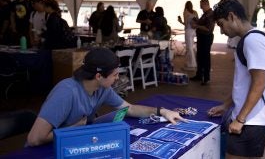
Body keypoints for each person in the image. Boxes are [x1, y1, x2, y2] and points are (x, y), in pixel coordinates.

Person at [27, 48, 185, 146]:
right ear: (98, 76)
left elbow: (129, 108)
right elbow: (34, 139)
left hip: (73, 143)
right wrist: (74, 128)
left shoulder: (102, 88)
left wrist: (162, 111)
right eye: (115, 75)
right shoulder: (66, 92)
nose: (118, 78)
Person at [208, 0, 265, 158]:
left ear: (232, 16)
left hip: (251, 122)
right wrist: (226, 105)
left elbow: (259, 83)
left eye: (221, 24)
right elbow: (246, 83)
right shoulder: (254, 38)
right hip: (251, 120)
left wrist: (240, 119)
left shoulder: (252, 41)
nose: (222, 31)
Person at [190, 0, 214, 85]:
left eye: (201, 6)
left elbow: (208, 28)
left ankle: (206, 78)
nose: (200, 7)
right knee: (199, 56)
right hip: (201, 37)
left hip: (206, 37)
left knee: (205, 58)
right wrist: (196, 20)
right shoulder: (205, 14)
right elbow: (201, 23)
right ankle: (199, 75)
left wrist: (196, 25)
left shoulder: (210, 14)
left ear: (205, 4)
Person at [178, 1, 198, 70]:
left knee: (189, 47)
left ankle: (191, 63)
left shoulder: (186, 12)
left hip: (188, 30)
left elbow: (186, 24)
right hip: (194, 30)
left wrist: (180, 22)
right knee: (192, 47)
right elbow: (198, 21)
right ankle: (193, 62)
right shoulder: (195, 12)